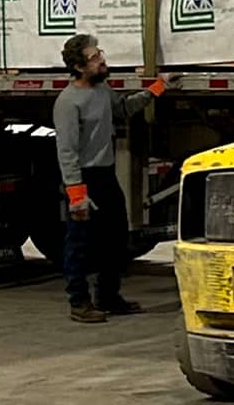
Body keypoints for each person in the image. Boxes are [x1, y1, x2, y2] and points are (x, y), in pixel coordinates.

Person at [54, 34, 164, 323]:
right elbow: (67, 151)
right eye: (94, 58)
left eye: (100, 53)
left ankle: (108, 296)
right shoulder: (68, 102)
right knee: (80, 243)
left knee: (115, 238)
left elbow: (122, 109)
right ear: (79, 67)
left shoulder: (102, 90)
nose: (101, 60)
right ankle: (79, 301)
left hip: (105, 174)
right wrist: (76, 194)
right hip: (83, 178)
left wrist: (156, 89)